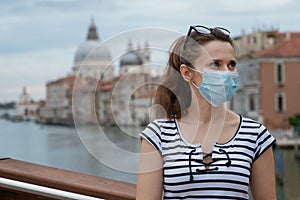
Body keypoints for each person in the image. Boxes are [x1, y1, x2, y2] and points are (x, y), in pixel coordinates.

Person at [136, 25, 276, 200]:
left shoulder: (256, 135)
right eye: (215, 64)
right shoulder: (158, 135)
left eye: (231, 65)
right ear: (187, 73)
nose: (227, 72)